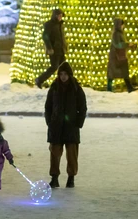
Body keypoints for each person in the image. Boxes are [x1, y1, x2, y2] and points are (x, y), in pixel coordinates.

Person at [44, 61, 86, 189]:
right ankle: (54, 178)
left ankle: (71, 178)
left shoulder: (76, 88)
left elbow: (82, 107)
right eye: (61, 74)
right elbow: (48, 107)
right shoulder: (54, 88)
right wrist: (49, 122)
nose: (63, 77)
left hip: (71, 127)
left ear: (70, 75)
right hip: (56, 127)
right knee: (55, 154)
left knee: (72, 155)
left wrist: (78, 123)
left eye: (65, 74)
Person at [35, 8, 66, 88]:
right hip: (54, 50)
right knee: (54, 67)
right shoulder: (49, 25)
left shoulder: (60, 24)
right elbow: (45, 36)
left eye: (61, 16)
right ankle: (40, 79)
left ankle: (63, 83)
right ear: (55, 16)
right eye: (59, 16)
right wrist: (49, 48)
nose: (60, 17)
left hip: (61, 49)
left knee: (64, 67)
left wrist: (65, 46)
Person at [106, 17, 136, 93]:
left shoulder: (120, 33)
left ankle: (129, 87)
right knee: (112, 73)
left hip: (120, 56)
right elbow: (118, 44)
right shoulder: (116, 34)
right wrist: (127, 44)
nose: (123, 26)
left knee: (124, 71)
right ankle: (109, 88)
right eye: (122, 25)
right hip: (115, 56)